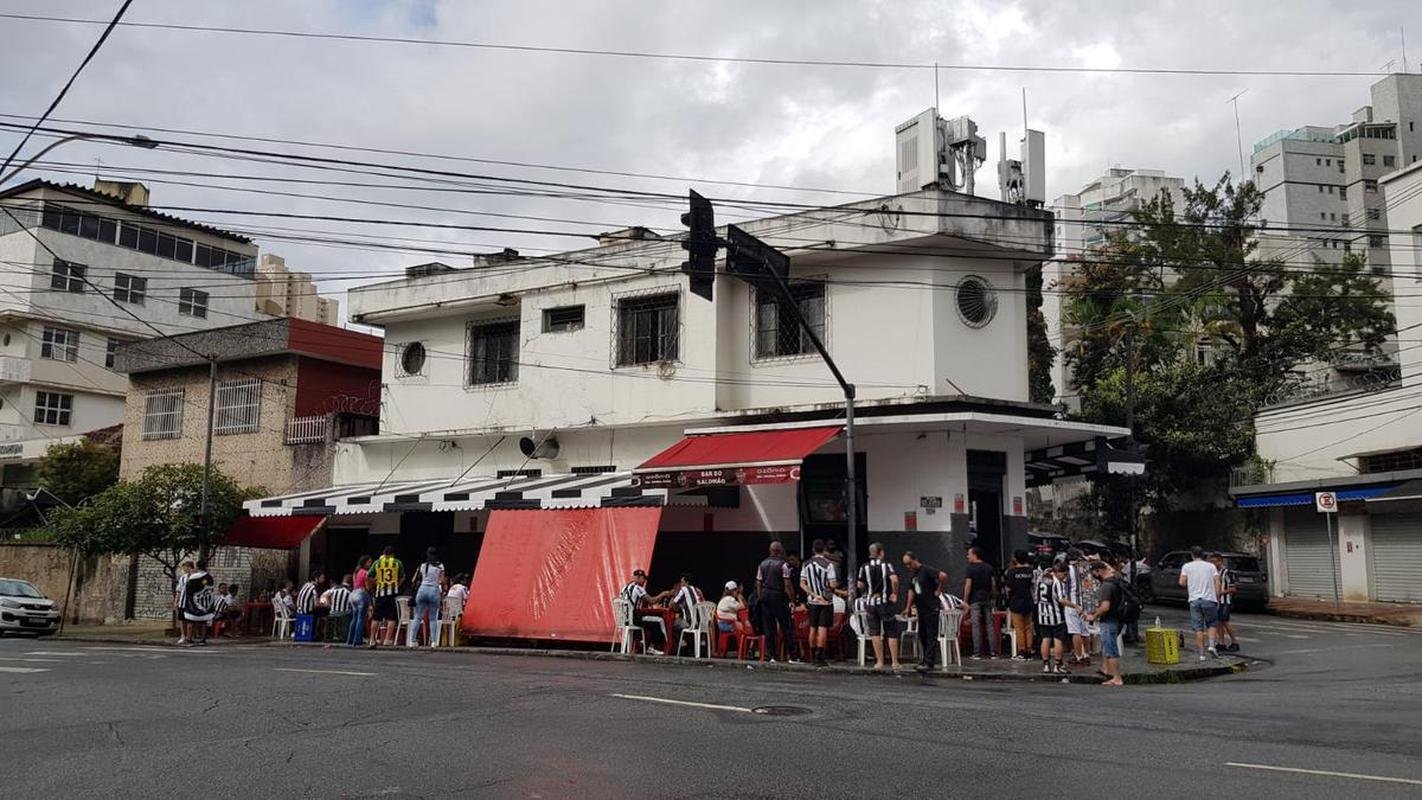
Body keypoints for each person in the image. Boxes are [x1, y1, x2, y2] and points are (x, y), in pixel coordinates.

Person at [857, 542, 900, 671]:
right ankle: (894, 662)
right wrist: (894, 593)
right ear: (881, 552)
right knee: (891, 632)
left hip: (870, 603)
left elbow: (859, 585)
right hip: (885, 602)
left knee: (875, 632)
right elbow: (895, 580)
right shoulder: (886, 565)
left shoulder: (864, 567)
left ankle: (879, 662)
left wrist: (866, 595)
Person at [901, 551, 947, 672]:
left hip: (931, 606)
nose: (908, 567)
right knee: (923, 634)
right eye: (906, 565)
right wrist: (907, 607)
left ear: (915, 560)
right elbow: (911, 591)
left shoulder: (926, 570)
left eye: (909, 563)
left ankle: (930, 661)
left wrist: (939, 589)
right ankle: (925, 658)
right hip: (921, 607)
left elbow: (943, 576)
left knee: (931, 634)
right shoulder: (913, 575)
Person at [801, 539, 841, 667]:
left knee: (812, 627)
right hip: (826, 601)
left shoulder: (806, 564)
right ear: (823, 550)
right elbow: (833, 584)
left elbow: (802, 583)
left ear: (813, 549)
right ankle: (820, 656)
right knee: (822, 628)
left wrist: (813, 595)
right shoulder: (828, 564)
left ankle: (812, 655)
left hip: (812, 601)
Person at [755, 541, 798, 663]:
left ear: (770, 551)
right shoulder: (783, 565)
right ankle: (792, 656)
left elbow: (758, 582)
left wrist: (760, 597)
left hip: (765, 596)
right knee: (786, 626)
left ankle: (773, 656)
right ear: (780, 551)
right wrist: (792, 599)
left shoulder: (762, 564)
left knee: (769, 628)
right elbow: (787, 584)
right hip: (778, 596)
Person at [1084, 560, 1124, 686]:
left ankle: (1117, 678)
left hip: (1108, 620)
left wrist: (1094, 616)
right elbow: (1111, 569)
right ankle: (1107, 670)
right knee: (1108, 647)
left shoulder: (1106, 586)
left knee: (1111, 649)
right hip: (1117, 618)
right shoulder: (1116, 579)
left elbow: (1105, 607)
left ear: (1098, 571)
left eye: (1094, 573)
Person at [1179, 546, 1222, 660]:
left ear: (1192, 555)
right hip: (1209, 599)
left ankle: (1202, 655)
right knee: (1212, 624)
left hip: (1194, 600)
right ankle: (1212, 646)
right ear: (1203, 555)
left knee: (1198, 628)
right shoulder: (1211, 566)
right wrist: (1217, 597)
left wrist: (1191, 582)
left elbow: (1182, 582)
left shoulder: (1186, 566)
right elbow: (1217, 582)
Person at [1035, 558, 1073, 674]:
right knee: (1058, 640)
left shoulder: (1041, 579)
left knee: (1045, 639)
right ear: (1058, 572)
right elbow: (1061, 600)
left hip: (1042, 615)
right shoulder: (1057, 583)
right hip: (1056, 615)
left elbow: (1036, 597)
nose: (1065, 577)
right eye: (1064, 574)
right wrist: (1075, 606)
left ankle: (1046, 665)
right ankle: (1058, 664)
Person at [620, 569, 671, 654]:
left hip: (624, 618)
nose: (644, 582)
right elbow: (652, 600)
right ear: (639, 577)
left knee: (649, 621)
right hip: (634, 618)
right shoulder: (638, 588)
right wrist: (663, 594)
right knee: (658, 621)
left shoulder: (625, 587)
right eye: (644, 579)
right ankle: (654, 646)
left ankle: (642, 643)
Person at [962, 546, 998, 660]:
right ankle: (993, 652)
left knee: (976, 626)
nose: (967, 556)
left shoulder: (970, 569)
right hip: (986, 598)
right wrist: (993, 597)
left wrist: (965, 600)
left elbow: (968, 585)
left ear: (974, 554)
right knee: (990, 625)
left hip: (975, 599)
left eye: (969, 554)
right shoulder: (989, 567)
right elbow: (993, 584)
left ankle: (977, 653)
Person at [408, 548, 446, 648]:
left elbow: (413, 580)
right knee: (433, 618)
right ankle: (433, 642)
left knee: (418, 616)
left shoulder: (422, 566)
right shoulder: (440, 566)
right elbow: (442, 581)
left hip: (422, 590)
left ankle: (412, 641)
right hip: (434, 590)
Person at [1003, 550, 1036, 661]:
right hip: (1028, 601)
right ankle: (1029, 651)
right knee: (1028, 627)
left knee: (1019, 628)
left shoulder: (1012, 572)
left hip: (1016, 601)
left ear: (1015, 559)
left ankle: (1021, 651)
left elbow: (1008, 588)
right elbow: (1033, 587)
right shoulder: (1030, 571)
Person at [369, 546, 404, 648]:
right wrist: (397, 584)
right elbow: (402, 576)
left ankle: (372, 639)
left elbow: (369, 576)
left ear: (384, 553)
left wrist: (375, 583)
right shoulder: (397, 563)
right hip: (392, 593)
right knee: (392, 617)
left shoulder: (377, 563)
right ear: (393, 554)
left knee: (376, 617)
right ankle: (387, 640)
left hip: (380, 592)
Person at [1062, 549, 1091, 665]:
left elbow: (1064, 584)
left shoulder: (1068, 570)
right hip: (1084, 603)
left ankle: (1078, 656)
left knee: (1075, 632)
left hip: (1072, 603)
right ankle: (1087, 654)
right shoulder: (1084, 569)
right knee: (1085, 631)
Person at [182, 559, 216, 646]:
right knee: (203, 622)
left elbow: (188, 590)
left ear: (197, 567)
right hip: (205, 603)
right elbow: (209, 588)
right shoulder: (209, 577)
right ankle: (203, 640)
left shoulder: (193, 577)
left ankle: (189, 639)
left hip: (193, 603)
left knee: (190, 621)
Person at [1210, 552, 1239, 652]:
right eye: (1211, 562)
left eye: (1215, 562)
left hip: (1224, 601)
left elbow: (1233, 589)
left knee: (1225, 622)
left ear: (1220, 561)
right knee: (1218, 623)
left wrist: (1221, 592)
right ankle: (1221, 643)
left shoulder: (1226, 573)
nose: (1213, 564)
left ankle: (1234, 642)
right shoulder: (1214, 573)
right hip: (1216, 601)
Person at [346, 556, 373, 647]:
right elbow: (367, 587)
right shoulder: (365, 573)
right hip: (362, 594)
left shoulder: (356, 572)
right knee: (361, 618)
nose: (370, 564)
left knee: (354, 618)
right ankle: (357, 640)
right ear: (364, 563)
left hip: (353, 594)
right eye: (369, 562)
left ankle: (350, 639)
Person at [174, 560, 194, 645]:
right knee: (182, 619)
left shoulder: (195, 577)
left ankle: (190, 637)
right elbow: (179, 590)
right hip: (183, 601)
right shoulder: (183, 578)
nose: (185, 569)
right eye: (185, 567)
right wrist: (176, 601)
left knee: (190, 620)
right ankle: (183, 636)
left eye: (187, 567)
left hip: (191, 602)